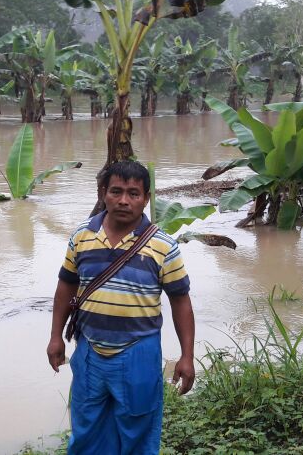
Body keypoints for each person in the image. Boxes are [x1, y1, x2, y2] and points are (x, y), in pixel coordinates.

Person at [47, 160, 195, 454]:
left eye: (133, 193)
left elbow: (180, 301)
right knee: (86, 429)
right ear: (103, 193)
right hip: (89, 349)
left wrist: (187, 356)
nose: (124, 200)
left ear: (146, 198)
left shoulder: (164, 246)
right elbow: (65, 287)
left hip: (138, 351)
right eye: (116, 191)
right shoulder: (81, 236)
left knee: (137, 431)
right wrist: (55, 337)